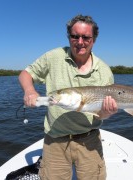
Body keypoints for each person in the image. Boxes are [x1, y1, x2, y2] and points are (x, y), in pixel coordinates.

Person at [19, 14, 118, 180]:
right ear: (68, 37)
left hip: (89, 139)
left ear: (94, 39)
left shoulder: (104, 71)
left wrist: (106, 113)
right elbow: (25, 74)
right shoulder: (54, 57)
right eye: (75, 36)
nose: (80, 42)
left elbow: (100, 115)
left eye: (86, 37)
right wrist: (30, 90)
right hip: (55, 139)